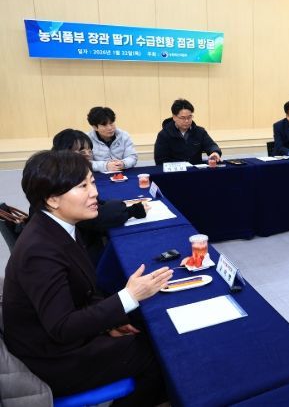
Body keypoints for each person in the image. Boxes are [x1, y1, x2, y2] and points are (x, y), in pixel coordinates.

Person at [2, 150, 172, 405]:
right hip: (52, 359)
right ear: (52, 199)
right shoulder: (40, 250)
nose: (94, 193)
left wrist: (109, 323)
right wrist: (129, 296)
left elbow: (81, 293)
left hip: (63, 339)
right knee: (161, 354)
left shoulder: (59, 227)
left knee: (150, 328)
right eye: (83, 186)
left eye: (92, 182)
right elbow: (62, 327)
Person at [52, 129, 147, 264]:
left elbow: (97, 204)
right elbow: (97, 218)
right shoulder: (60, 181)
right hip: (79, 255)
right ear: (63, 152)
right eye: (81, 152)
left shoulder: (68, 172)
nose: (87, 156)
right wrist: (131, 210)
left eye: (89, 151)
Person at [154, 99, 222, 165]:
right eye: (183, 118)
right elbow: (160, 160)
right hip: (175, 171)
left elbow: (211, 145)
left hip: (196, 170)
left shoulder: (200, 132)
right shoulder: (164, 135)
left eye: (189, 117)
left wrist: (215, 152)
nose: (187, 121)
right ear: (174, 117)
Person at [86, 106, 138, 172]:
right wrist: (105, 166)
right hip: (99, 175)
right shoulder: (86, 139)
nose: (110, 128)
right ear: (95, 127)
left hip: (122, 173)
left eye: (111, 123)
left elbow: (132, 157)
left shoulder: (124, 136)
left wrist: (123, 163)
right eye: (104, 125)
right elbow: (84, 163)